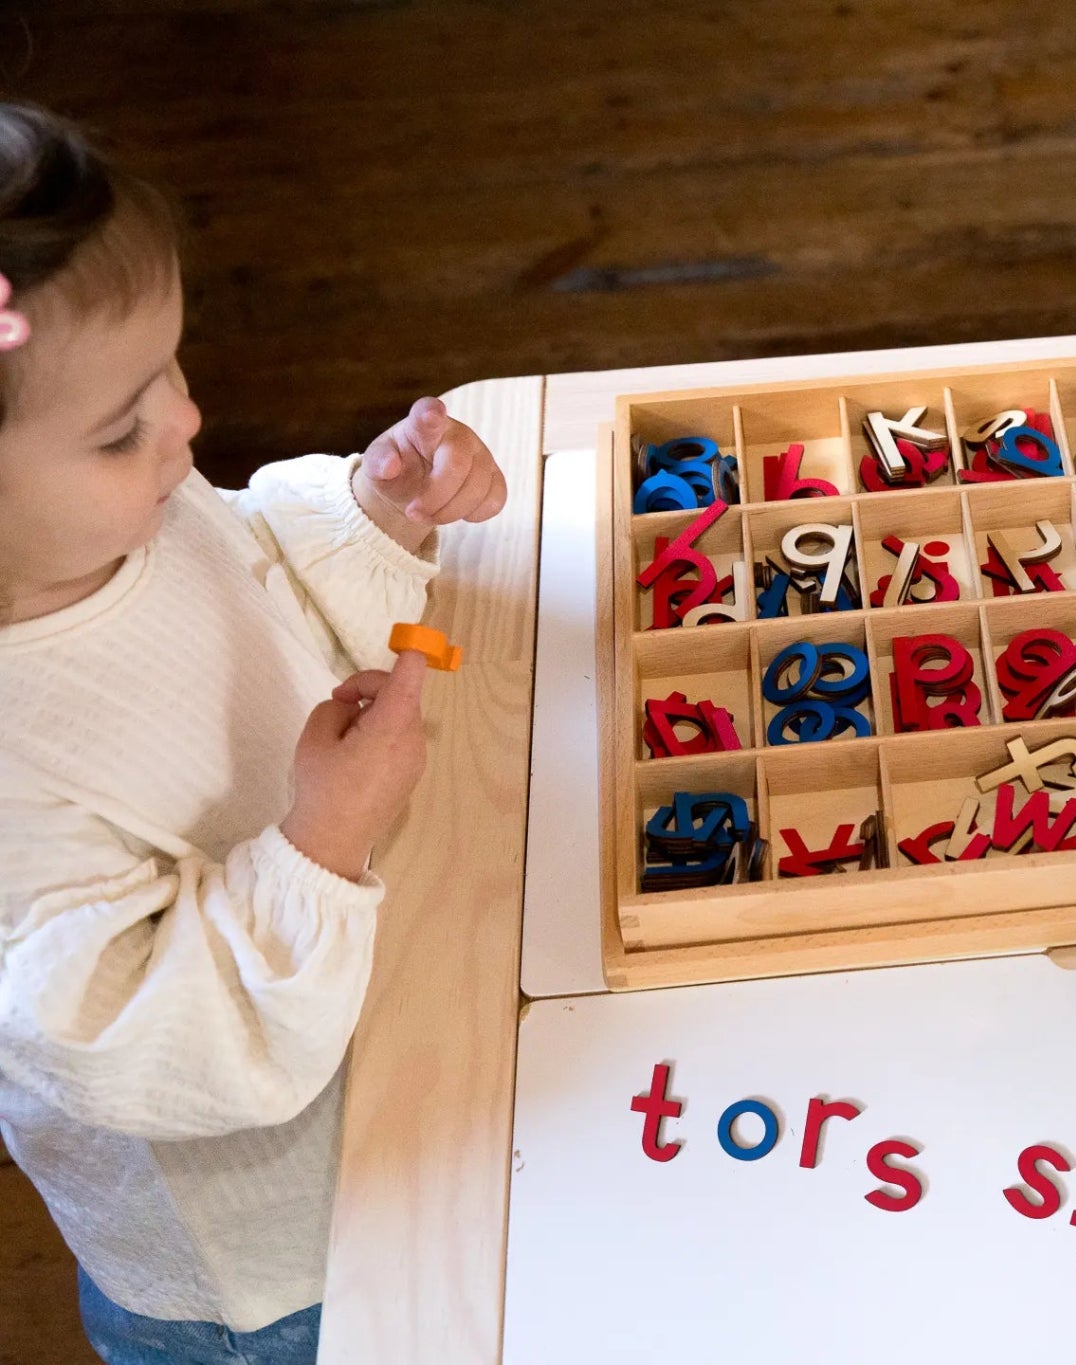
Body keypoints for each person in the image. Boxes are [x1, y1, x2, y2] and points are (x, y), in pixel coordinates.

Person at [0, 102, 506, 1362]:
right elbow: (146, 1049)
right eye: (121, 427)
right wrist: (324, 835)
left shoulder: (117, 518)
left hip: (410, 1063)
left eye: (168, 370)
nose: (184, 424)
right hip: (276, 1273)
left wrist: (378, 508)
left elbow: (253, 555)